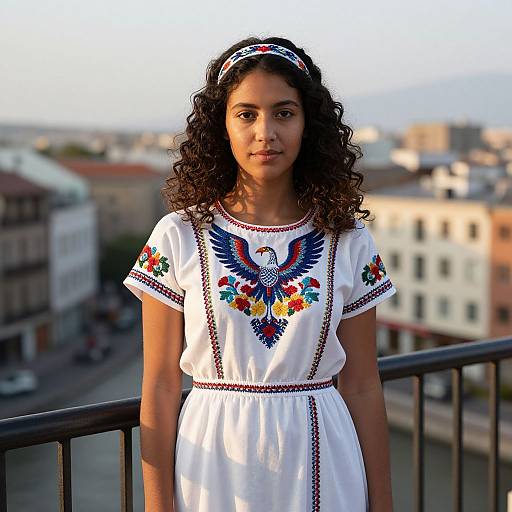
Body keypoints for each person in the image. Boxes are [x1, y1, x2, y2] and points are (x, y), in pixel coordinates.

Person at [123, 36, 397, 512]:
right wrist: (156, 506)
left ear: (308, 125)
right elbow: (161, 387)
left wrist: (384, 503)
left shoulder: (349, 240)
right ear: (221, 127)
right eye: (246, 114)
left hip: (325, 460)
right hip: (211, 465)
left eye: (284, 113)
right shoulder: (178, 235)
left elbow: (362, 385)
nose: (265, 131)